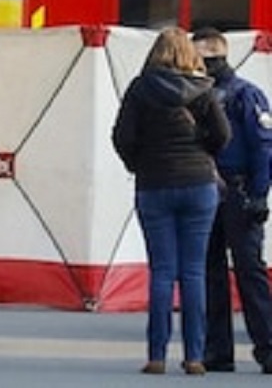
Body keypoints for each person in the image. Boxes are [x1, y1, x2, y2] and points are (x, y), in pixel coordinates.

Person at [112, 26, 230, 376]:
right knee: (194, 272)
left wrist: (140, 164)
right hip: (198, 185)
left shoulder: (140, 89)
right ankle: (195, 356)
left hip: (154, 185)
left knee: (162, 272)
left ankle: (157, 356)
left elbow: (122, 137)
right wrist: (203, 154)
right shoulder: (203, 89)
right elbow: (223, 135)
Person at [192, 27, 272, 373]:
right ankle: (217, 350)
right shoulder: (198, 96)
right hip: (208, 190)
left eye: (200, 59)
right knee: (211, 272)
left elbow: (263, 148)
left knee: (249, 272)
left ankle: (267, 346)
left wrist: (259, 194)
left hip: (238, 191)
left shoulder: (245, 95)